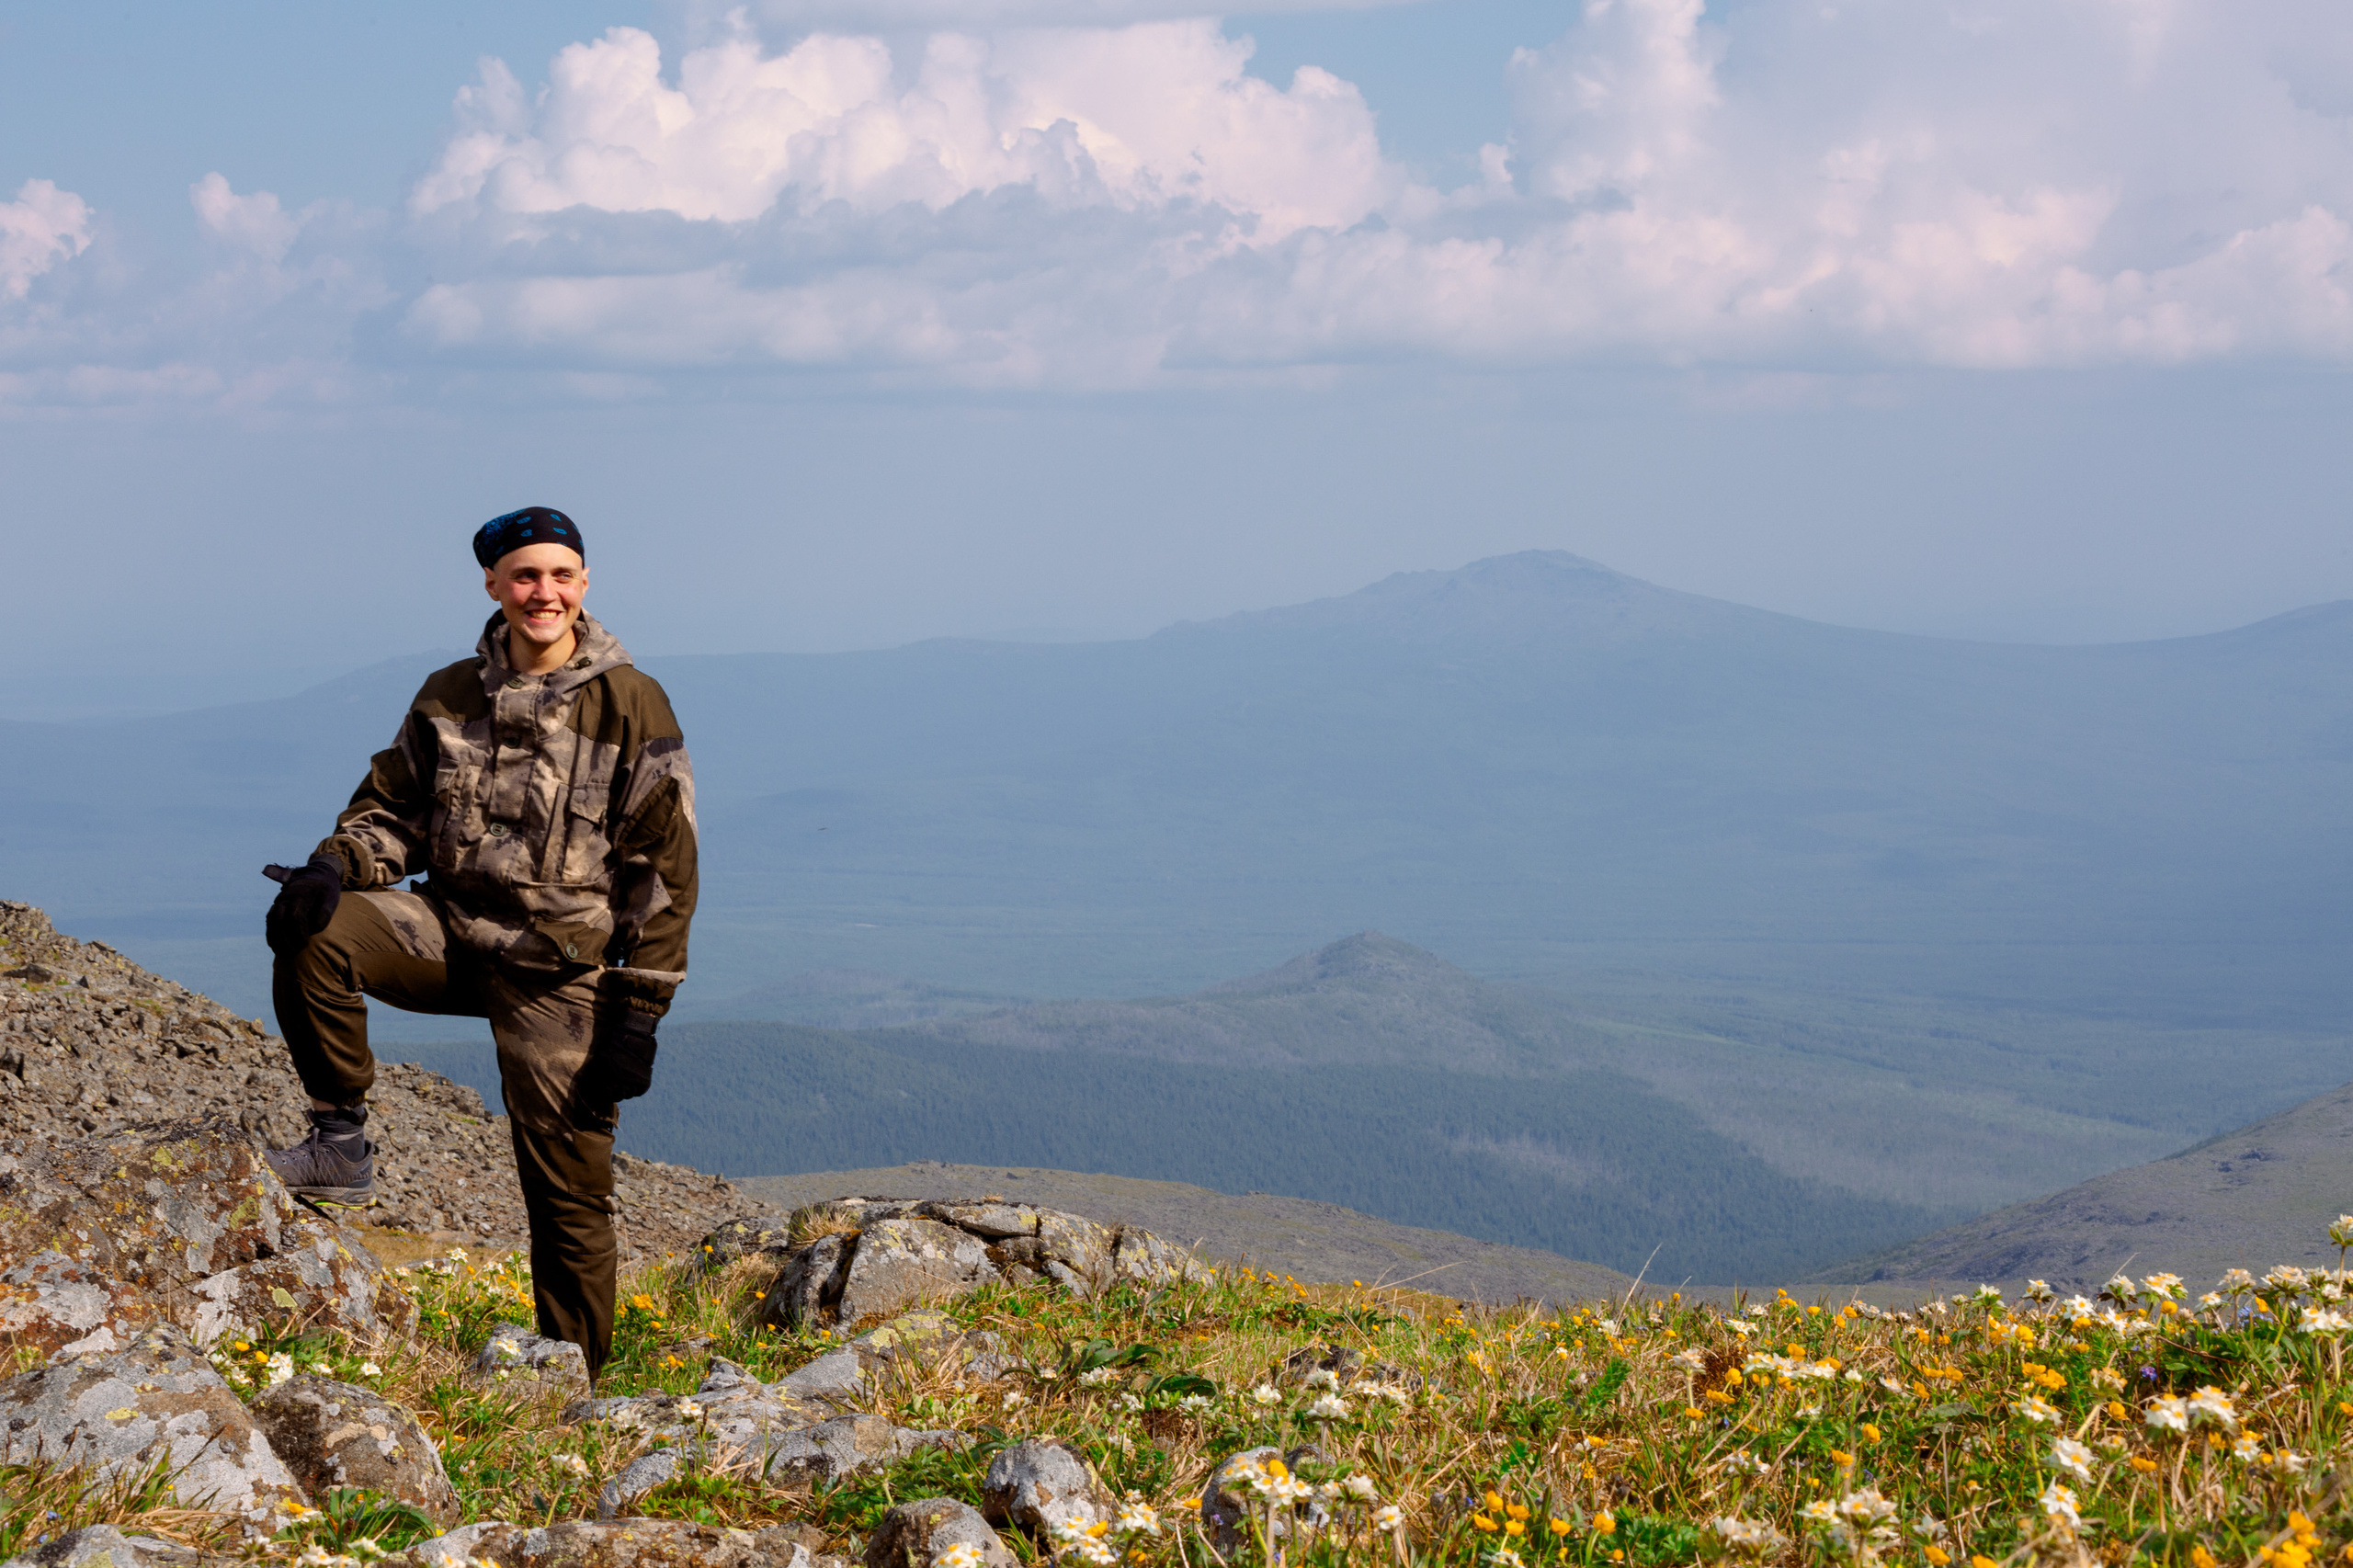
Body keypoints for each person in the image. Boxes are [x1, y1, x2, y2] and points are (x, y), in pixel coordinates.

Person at [260, 506, 698, 1378]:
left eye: (562, 575)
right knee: (317, 931)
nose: (545, 593)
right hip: (450, 935)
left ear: (585, 584)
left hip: (559, 971)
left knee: (568, 1188)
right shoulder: (450, 693)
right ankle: (339, 1141)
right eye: (526, 575)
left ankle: (576, 1379)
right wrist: (334, 864)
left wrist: (640, 1008)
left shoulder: (630, 701)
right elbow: (393, 814)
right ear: (494, 584)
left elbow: (665, 867)